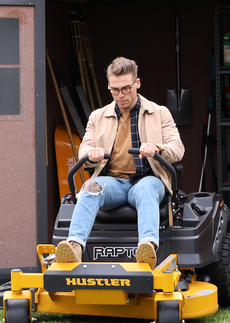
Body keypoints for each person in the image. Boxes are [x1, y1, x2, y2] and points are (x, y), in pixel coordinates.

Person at [56, 56, 184, 268]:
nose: (120, 95)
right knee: (89, 187)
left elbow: (178, 149)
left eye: (126, 89)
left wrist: (158, 149)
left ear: (137, 83)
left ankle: (147, 249)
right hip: (113, 183)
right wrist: (91, 154)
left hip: (147, 179)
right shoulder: (98, 117)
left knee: (145, 190)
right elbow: (84, 149)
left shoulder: (159, 113)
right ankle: (74, 247)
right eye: (114, 90)